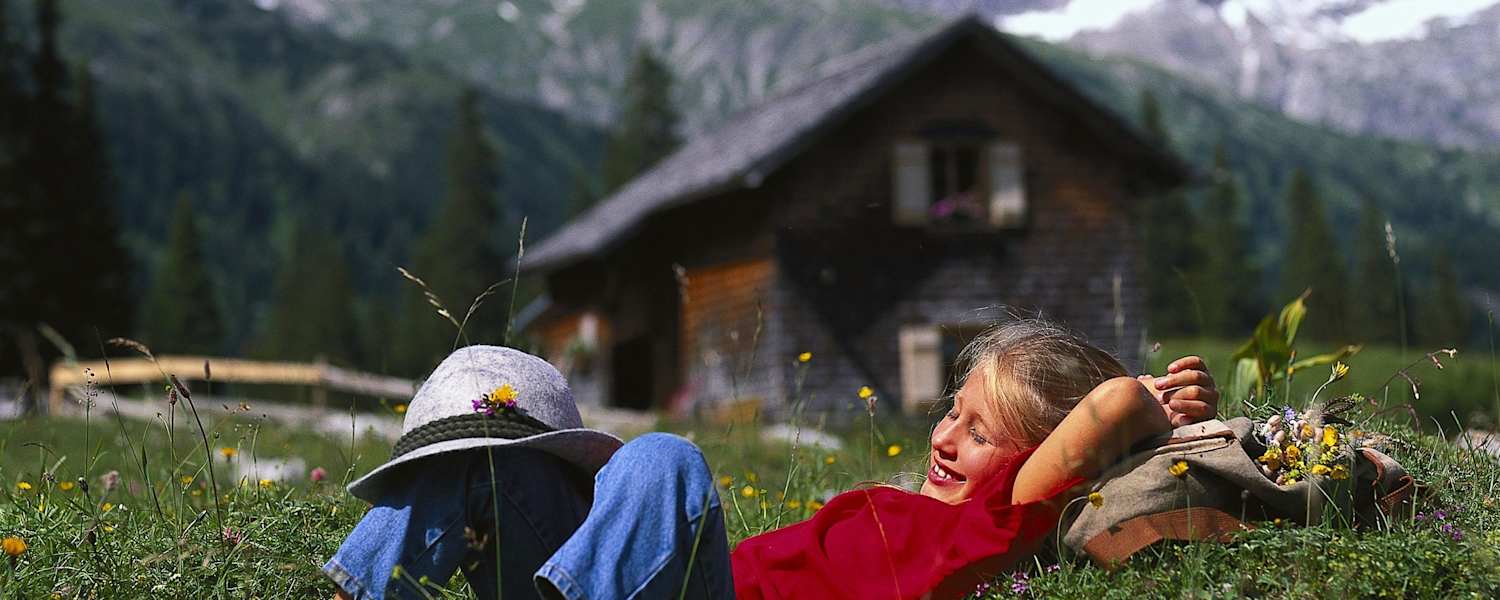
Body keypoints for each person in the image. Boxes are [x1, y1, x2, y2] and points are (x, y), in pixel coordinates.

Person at [326, 320, 1218, 599]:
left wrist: (1145, 403)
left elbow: (1101, 412)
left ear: (1044, 464)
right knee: (490, 454)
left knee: (665, 463)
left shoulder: (994, 529)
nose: (945, 437)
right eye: (952, 411)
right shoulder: (896, 506)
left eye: (981, 433)